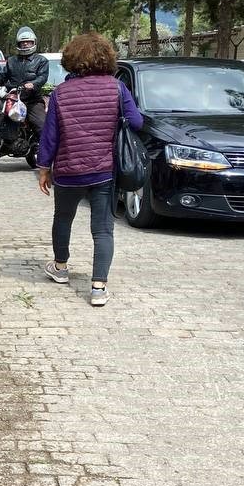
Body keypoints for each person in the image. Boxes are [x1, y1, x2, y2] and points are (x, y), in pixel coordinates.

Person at [36, 32, 143, 307]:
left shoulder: (61, 92)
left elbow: (50, 136)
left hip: (68, 171)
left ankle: (60, 267)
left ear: (72, 60)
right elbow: (137, 122)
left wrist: (44, 168)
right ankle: (98, 287)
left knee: (63, 218)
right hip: (104, 171)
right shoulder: (117, 88)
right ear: (106, 57)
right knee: (103, 229)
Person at [0, 27, 50, 142]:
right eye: (23, 42)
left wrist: (33, 84)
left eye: (28, 42)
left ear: (34, 43)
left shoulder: (41, 60)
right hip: (13, 99)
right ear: (19, 43)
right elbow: (3, 75)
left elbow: (42, 77)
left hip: (32, 100)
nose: (26, 44)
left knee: (41, 126)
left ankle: (45, 154)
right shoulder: (12, 60)